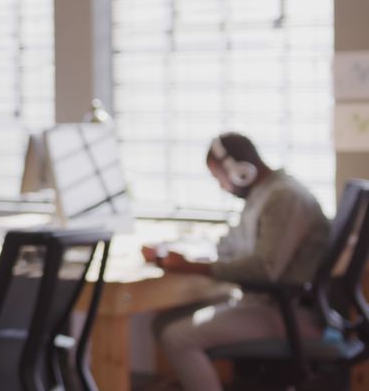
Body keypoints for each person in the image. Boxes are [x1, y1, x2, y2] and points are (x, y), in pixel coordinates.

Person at [142, 132, 331, 391]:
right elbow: (233, 244)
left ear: (237, 170)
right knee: (162, 322)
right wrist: (182, 252)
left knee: (178, 338)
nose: (221, 186)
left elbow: (265, 270)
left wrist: (193, 266)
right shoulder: (262, 194)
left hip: (290, 311)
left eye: (218, 177)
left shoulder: (284, 198)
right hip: (269, 303)